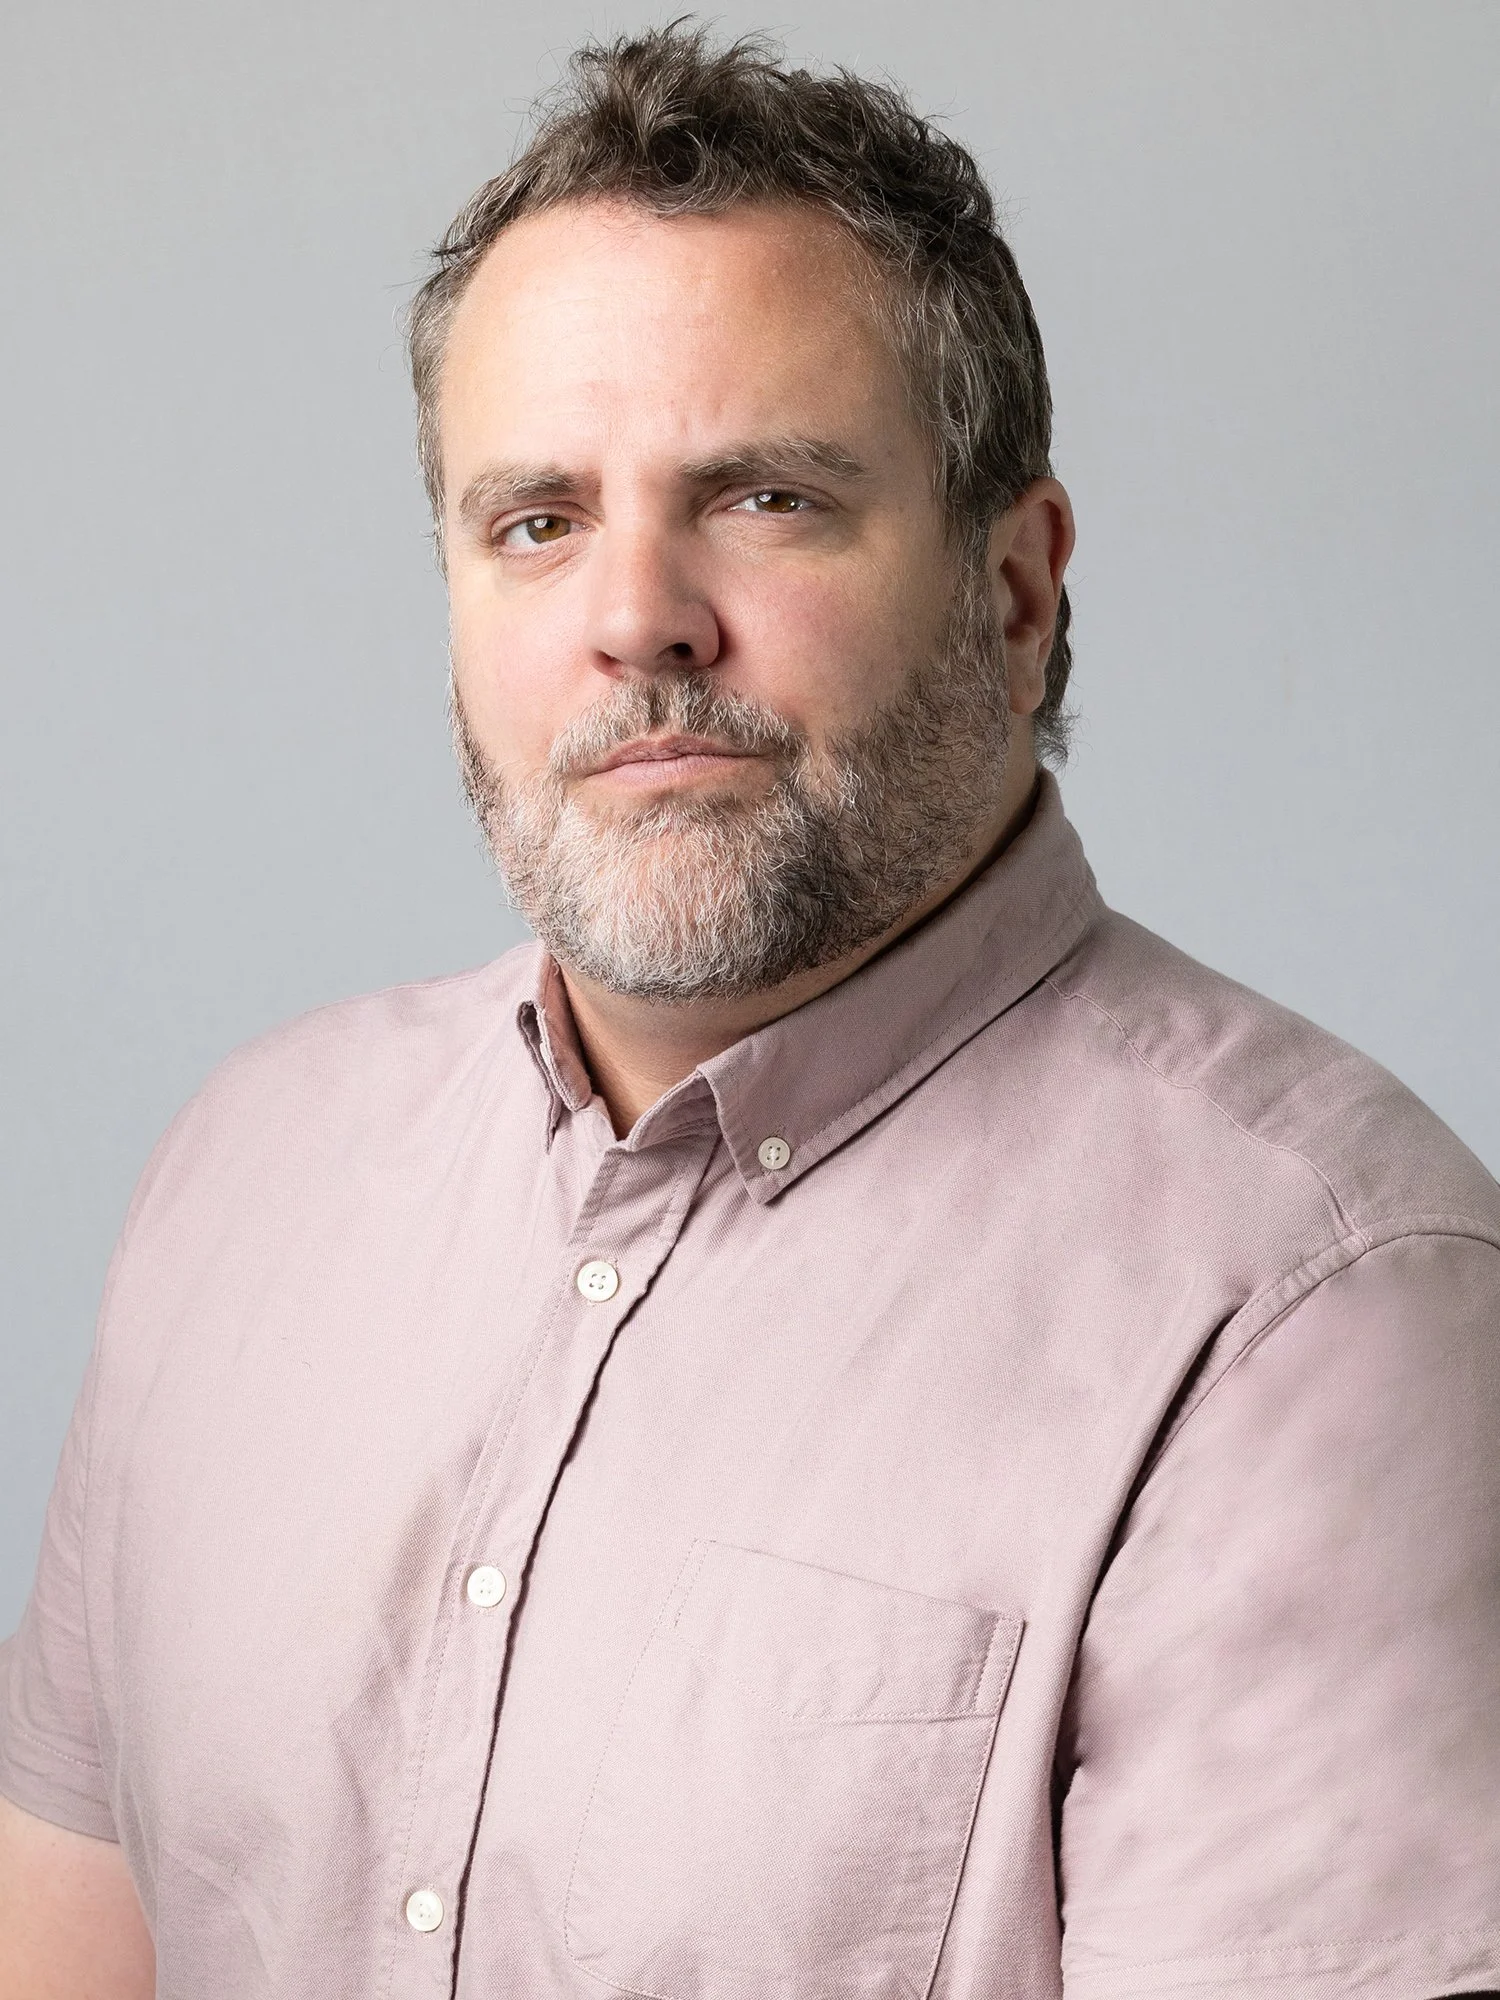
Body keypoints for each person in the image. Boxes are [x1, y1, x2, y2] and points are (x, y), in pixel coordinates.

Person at [2, 24, 1496, 2000]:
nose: (637, 615)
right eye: (536, 519)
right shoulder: (241, 1179)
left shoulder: (1322, 1311)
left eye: (768, 497)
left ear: (1018, 584)